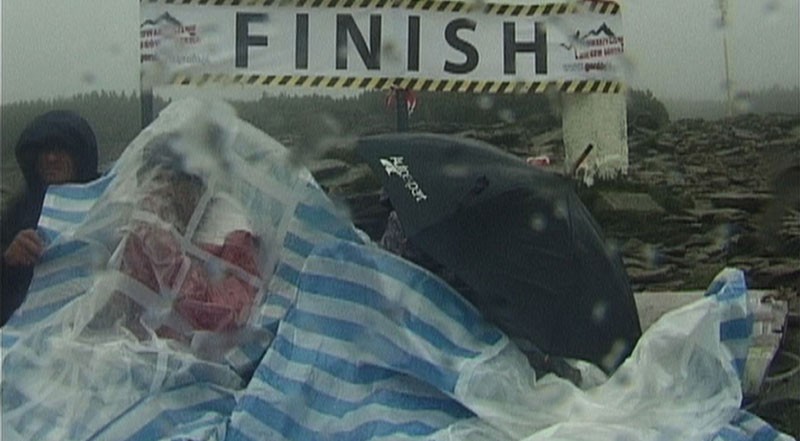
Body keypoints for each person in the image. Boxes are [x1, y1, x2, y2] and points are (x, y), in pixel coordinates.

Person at [1, 110, 99, 325]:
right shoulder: (17, 214)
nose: (51, 158)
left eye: (60, 149)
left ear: (79, 154)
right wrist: (8, 261)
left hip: (97, 324)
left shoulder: (108, 202)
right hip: (30, 330)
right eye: (43, 151)